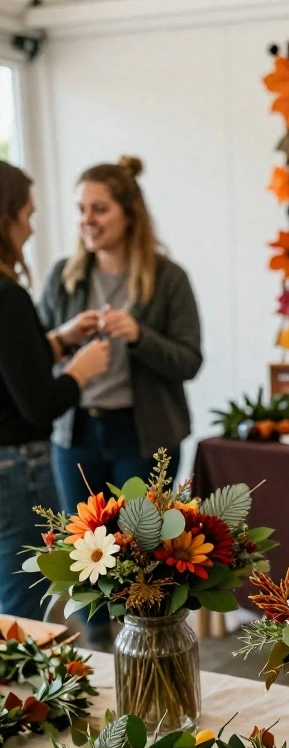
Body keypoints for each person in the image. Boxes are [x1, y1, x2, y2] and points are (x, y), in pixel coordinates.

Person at [39, 156, 202, 643]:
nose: (87, 220)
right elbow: (35, 360)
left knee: (143, 554)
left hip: (144, 434)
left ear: (129, 213)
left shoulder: (168, 278)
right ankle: (95, 651)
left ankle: (151, 649)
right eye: (81, 209)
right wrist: (66, 339)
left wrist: (141, 337)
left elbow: (190, 361)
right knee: (85, 555)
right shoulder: (64, 278)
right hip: (77, 432)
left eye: (100, 209)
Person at [0, 161, 110, 619]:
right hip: (17, 466)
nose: (31, 225)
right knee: (22, 600)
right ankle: (18, 692)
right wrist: (79, 371)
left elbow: (7, 364)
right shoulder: (9, 296)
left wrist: (56, 340)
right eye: (27, 214)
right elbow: (39, 405)